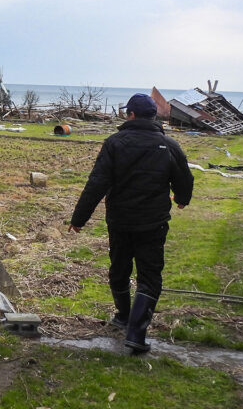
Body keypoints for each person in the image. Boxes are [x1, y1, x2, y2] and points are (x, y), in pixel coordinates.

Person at [68, 93, 194, 353]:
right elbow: (185, 177)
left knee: (119, 268)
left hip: (120, 221)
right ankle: (135, 332)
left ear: (131, 115)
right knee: (149, 276)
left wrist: (79, 218)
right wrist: (182, 198)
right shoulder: (169, 145)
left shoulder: (114, 143)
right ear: (154, 116)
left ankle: (123, 316)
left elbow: (96, 183)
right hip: (154, 222)